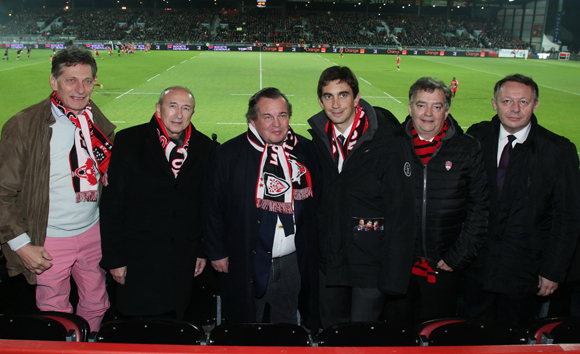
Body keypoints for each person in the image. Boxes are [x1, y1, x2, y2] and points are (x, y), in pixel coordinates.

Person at [0, 47, 115, 331]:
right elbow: (3, 192)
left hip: (92, 231)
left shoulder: (92, 116)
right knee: (55, 310)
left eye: (87, 81)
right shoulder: (24, 125)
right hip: (48, 238)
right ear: (54, 82)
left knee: (97, 302)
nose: (81, 89)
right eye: (71, 80)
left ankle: (88, 346)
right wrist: (21, 245)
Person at [461, 73, 580, 326]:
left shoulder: (558, 151)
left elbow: (567, 218)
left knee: (514, 338)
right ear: (495, 103)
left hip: (526, 273)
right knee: (470, 335)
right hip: (476, 270)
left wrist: (553, 271)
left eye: (523, 102)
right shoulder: (476, 138)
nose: (514, 109)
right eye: (507, 102)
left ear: (535, 104)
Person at [203, 87, 320, 329]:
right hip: (244, 260)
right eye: (268, 117)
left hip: (292, 261)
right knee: (245, 326)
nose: (277, 124)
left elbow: (317, 204)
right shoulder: (228, 154)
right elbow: (212, 206)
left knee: (287, 326)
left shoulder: (305, 151)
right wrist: (217, 252)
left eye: (283, 115)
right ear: (252, 120)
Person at [308, 66, 415, 329]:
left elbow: (402, 212)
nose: (336, 104)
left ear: (357, 99)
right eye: (328, 96)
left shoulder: (388, 142)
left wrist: (393, 276)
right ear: (320, 101)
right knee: (331, 333)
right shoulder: (318, 141)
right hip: (331, 261)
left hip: (371, 264)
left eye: (343, 95)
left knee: (361, 336)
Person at [100, 86, 214, 319]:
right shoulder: (129, 140)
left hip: (183, 258)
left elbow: (205, 205)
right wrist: (115, 258)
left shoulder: (205, 147)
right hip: (139, 258)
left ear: (192, 113)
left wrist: (202, 250)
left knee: (175, 324)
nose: (178, 115)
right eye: (172, 106)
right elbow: (113, 204)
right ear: (158, 109)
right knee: (138, 328)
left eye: (186, 108)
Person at [385, 77, 488, 326]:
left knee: (437, 331)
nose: (428, 113)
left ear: (447, 110)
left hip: (445, 265)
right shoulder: (391, 145)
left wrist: (458, 256)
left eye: (437, 106)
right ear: (410, 108)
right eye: (421, 105)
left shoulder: (467, 148)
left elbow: (480, 208)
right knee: (398, 331)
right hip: (399, 264)